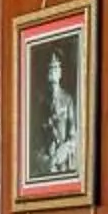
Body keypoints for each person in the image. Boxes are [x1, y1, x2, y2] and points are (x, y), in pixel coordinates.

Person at [37, 50, 79, 179]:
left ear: (60, 72)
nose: (53, 70)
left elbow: (73, 135)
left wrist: (64, 151)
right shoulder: (43, 102)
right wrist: (43, 159)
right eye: (50, 68)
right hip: (47, 161)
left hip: (63, 160)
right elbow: (37, 138)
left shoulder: (67, 99)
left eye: (56, 67)